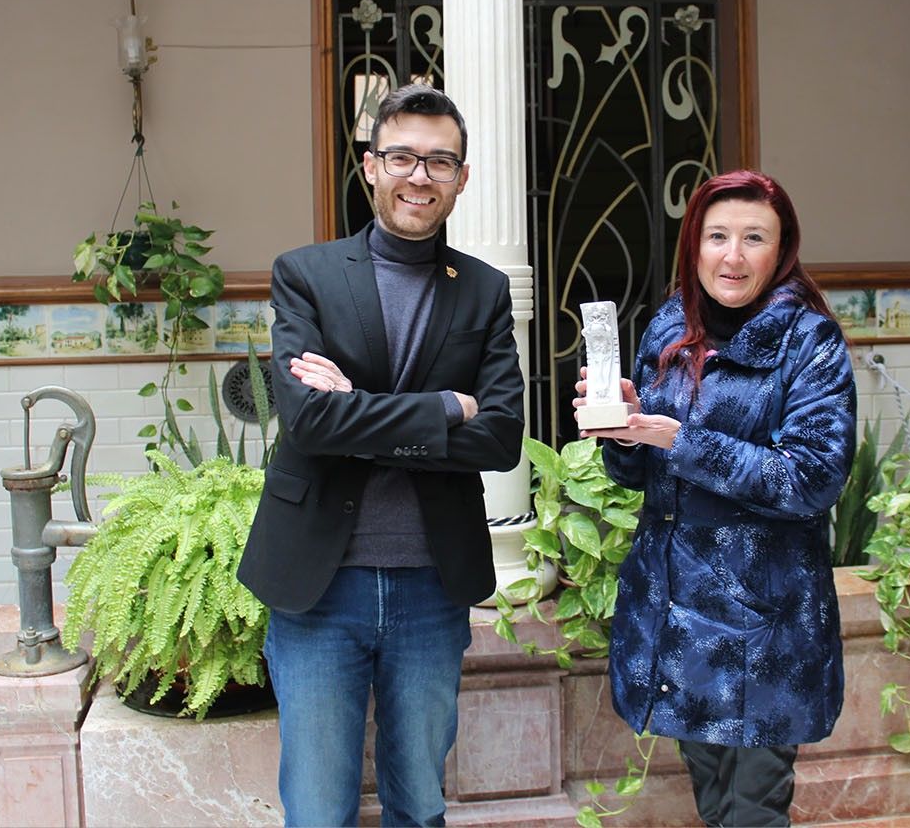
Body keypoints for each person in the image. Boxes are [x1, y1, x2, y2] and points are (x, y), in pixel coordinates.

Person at [237, 83, 525, 827]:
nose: (419, 176)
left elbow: (500, 437)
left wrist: (355, 412)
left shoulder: (484, 290)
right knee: (318, 809)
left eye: (440, 161)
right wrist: (443, 408)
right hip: (319, 583)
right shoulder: (306, 273)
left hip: (432, 582)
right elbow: (308, 421)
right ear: (370, 166)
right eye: (401, 157)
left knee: (419, 804)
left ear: (462, 177)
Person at [575, 170, 856, 827]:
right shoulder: (670, 326)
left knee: (753, 809)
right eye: (717, 236)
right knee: (714, 803)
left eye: (753, 238)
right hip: (675, 615)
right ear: (693, 246)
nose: (733, 256)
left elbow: (812, 478)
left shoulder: (808, 341)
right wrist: (623, 428)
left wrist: (679, 440)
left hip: (765, 624)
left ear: (780, 250)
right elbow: (637, 476)